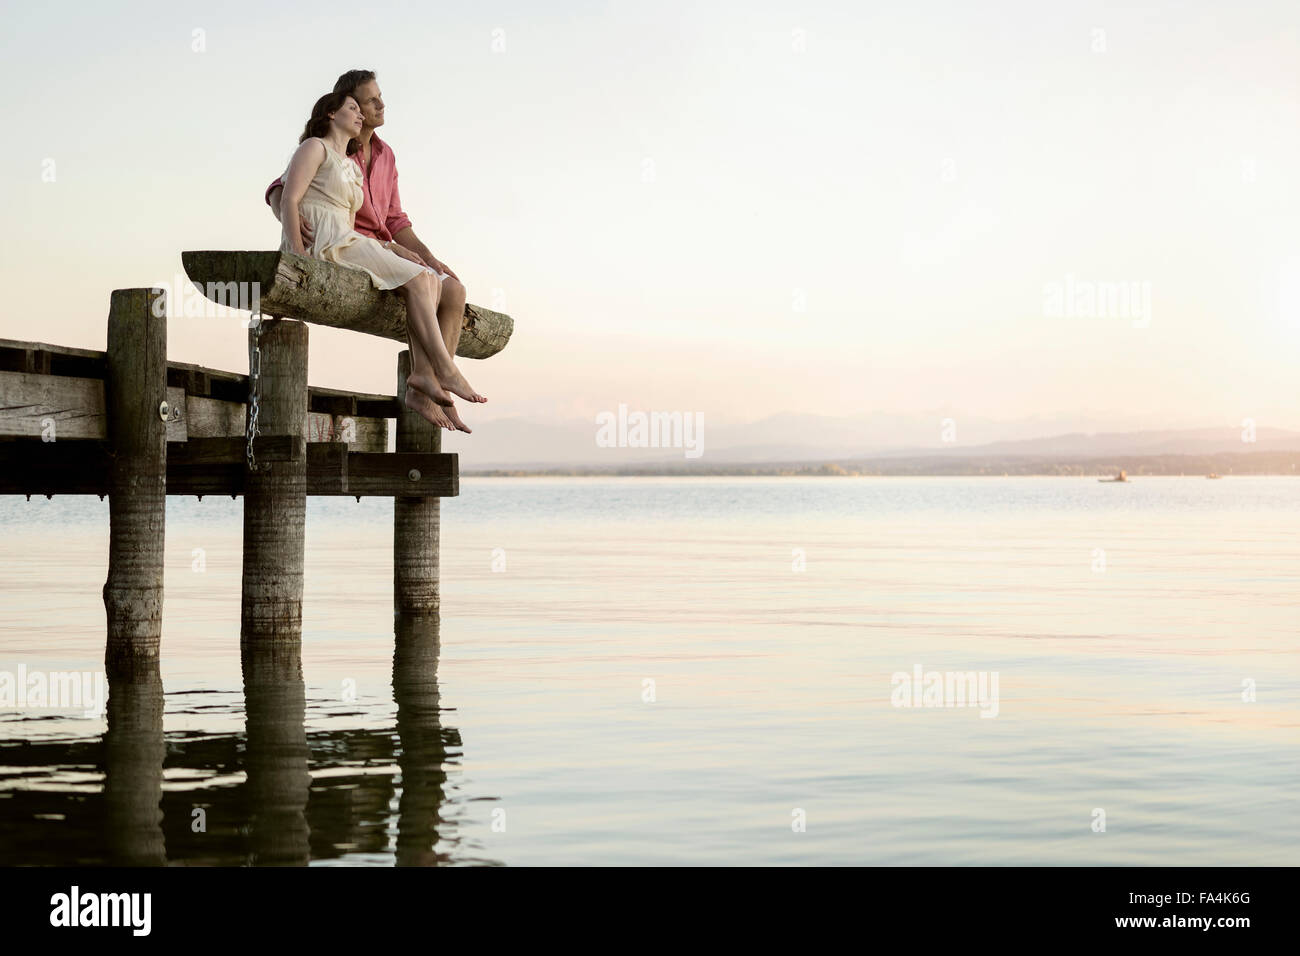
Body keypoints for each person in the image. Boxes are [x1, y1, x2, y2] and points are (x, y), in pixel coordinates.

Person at [277, 90, 485, 431]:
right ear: (331, 114)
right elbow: (288, 198)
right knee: (421, 280)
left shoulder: (349, 163)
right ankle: (444, 368)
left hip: (347, 239)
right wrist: (299, 257)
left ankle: (423, 374)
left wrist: (403, 250)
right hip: (327, 244)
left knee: (428, 277)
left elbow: (389, 219)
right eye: (352, 108)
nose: (360, 115)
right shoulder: (314, 147)